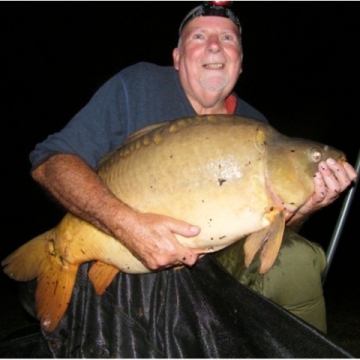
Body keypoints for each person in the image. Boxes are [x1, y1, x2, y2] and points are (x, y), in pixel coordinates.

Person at [23, 1, 357, 357]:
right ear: (178, 57)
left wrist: (306, 207)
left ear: (240, 63)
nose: (215, 46)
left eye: (227, 39)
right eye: (200, 36)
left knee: (299, 260)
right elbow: (50, 163)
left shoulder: (255, 123)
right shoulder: (136, 87)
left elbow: (271, 235)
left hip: (213, 272)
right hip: (114, 244)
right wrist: (126, 225)